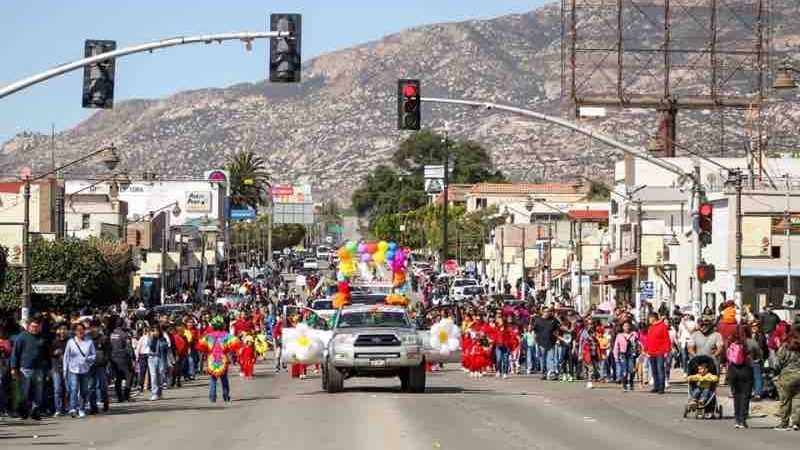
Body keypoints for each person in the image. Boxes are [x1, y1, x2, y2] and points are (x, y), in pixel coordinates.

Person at [10, 318, 48, 420]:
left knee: (38, 392)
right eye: (33, 326)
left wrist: (48, 368)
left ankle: (35, 411)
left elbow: (46, 355)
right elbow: (15, 353)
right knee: (24, 393)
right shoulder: (22, 337)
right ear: (28, 327)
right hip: (25, 369)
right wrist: (13, 368)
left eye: (36, 327)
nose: (34, 329)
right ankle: (23, 412)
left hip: (39, 369)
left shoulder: (42, 338)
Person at [197, 316, 241, 403]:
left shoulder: (208, 336)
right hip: (222, 359)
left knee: (213, 379)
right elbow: (236, 342)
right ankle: (226, 395)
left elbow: (201, 345)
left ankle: (212, 397)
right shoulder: (226, 335)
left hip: (212, 359)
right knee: (224, 378)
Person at [725, 324, 761, 429]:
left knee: (736, 395)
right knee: (745, 395)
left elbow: (725, 356)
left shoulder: (731, 341)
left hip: (732, 370)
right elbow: (759, 355)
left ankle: (737, 419)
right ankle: (743, 419)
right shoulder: (751, 342)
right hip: (746, 369)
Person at [62, 323, 96, 418]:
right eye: (78, 330)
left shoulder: (89, 342)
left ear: (84, 331)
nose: (80, 331)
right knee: (73, 389)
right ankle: (73, 408)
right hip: (73, 369)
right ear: (75, 332)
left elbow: (94, 355)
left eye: (82, 329)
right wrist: (65, 369)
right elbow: (66, 356)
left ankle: (81, 408)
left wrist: (88, 359)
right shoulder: (70, 342)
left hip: (85, 369)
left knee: (84, 390)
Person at [773, 329, 800, 431]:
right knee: (798, 400)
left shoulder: (785, 347)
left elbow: (777, 363)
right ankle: (796, 423)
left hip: (787, 377)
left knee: (785, 401)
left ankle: (784, 423)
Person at [644, 312, 670, 394]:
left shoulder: (662, 326)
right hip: (651, 352)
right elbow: (648, 339)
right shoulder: (651, 327)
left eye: (649, 318)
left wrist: (667, 351)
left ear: (653, 318)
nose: (648, 320)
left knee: (660, 369)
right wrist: (646, 349)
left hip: (660, 352)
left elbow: (667, 339)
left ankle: (661, 388)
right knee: (654, 370)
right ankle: (656, 386)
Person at [109, 318, 135, 403]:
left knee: (118, 378)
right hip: (123, 357)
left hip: (114, 358)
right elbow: (128, 347)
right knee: (129, 376)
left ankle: (119, 397)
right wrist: (133, 357)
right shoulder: (124, 334)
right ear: (123, 324)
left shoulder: (112, 334)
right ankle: (126, 395)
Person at [88, 319, 111, 413]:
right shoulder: (87, 339)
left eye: (96, 327)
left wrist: (105, 362)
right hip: (90, 366)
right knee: (91, 387)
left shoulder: (104, 339)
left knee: (102, 386)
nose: (94, 329)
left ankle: (105, 401)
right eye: (92, 327)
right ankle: (93, 407)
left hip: (101, 366)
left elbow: (108, 352)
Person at [533, 308, 560, 380]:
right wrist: (536, 343)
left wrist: (557, 340)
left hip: (551, 342)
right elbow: (535, 332)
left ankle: (551, 373)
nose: (547, 313)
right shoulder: (538, 321)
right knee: (543, 359)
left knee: (551, 358)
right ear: (542, 312)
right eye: (546, 312)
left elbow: (557, 331)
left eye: (548, 312)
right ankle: (544, 373)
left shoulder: (553, 320)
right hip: (541, 343)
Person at [613, 321, 640, 392]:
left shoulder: (634, 334)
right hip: (623, 354)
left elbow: (638, 343)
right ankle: (624, 385)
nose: (626, 327)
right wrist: (616, 356)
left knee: (632, 370)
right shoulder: (619, 335)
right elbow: (616, 347)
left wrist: (639, 351)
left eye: (628, 326)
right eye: (625, 326)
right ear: (622, 327)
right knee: (624, 370)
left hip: (631, 354)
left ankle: (631, 382)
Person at [49, 323, 70, 417]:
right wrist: (55, 353)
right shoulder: (54, 342)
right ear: (58, 331)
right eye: (61, 329)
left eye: (64, 329)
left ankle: (68, 407)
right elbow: (49, 354)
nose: (62, 331)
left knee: (68, 389)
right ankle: (58, 409)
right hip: (56, 368)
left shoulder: (71, 341)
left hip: (68, 368)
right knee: (57, 389)